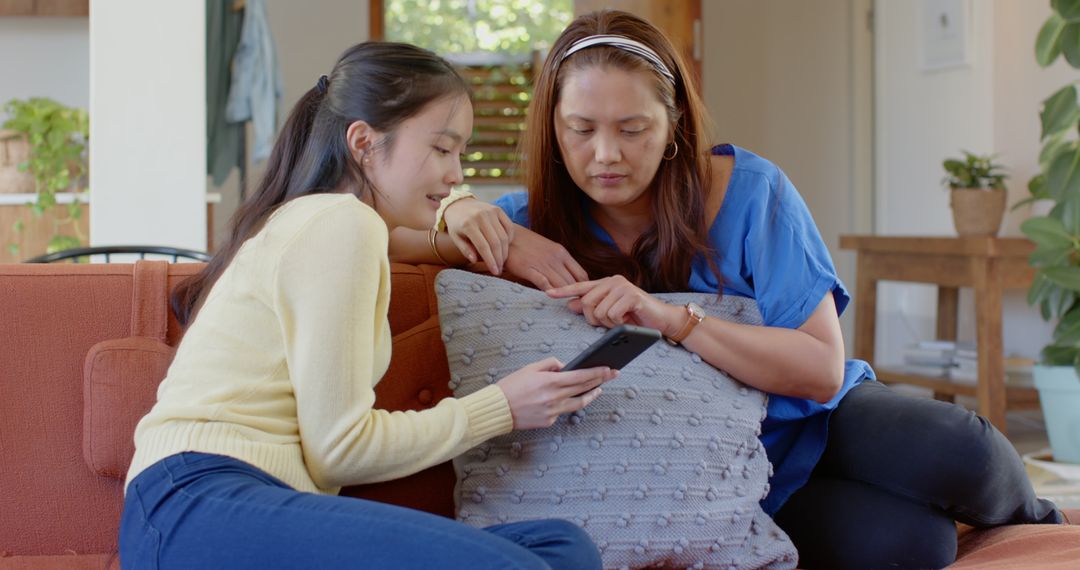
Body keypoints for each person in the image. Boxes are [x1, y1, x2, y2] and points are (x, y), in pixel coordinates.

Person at [392, 11, 1066, 570]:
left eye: (633, 130)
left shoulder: (750, 193)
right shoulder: (526, 222)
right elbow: (377, 235)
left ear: (676, 123)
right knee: (912, 547)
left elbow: (818, 369)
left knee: (958, 449)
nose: (606, 156)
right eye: (581, 130)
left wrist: (671, 318)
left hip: (812, 417)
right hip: (702, 467)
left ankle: (1047, 528)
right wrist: (464, 218)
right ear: (552, 126)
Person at [119, 42, 615, 570]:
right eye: (443, 149)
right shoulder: (339, 225)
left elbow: (402, 241)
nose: (455, 176)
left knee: (562, 550)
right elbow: (340, 448)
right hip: (196, 504)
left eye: (461, 155)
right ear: (363, 142)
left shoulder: (334, 225)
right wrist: (502, 406)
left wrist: (482, 234)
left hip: (234, 504)